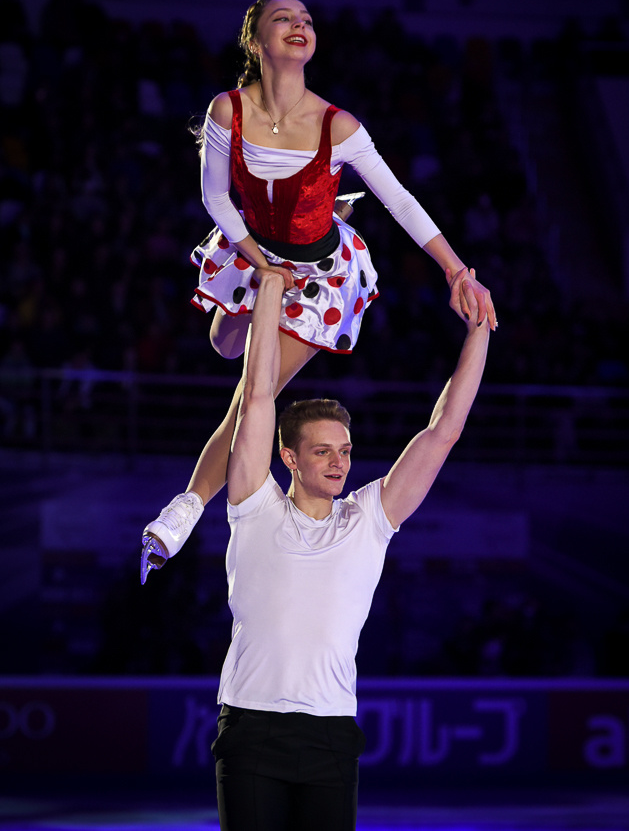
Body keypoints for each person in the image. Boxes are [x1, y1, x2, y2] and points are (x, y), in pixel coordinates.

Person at [140, 0, 496, 581]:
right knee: (224, 345)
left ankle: (184, 508)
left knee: (255, 396)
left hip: (316, 277)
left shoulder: (339, 125)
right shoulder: (228, 111)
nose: (299, 25)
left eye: (306, 19)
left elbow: (403, 201)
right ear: (257, 42)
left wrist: (457, 270)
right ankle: (293, 254)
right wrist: (256, 261)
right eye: (284, 18)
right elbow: (214, 196)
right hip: (255, 252)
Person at [205, 264, 490, 830]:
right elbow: (258, 396)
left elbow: (443, 430)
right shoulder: (253, 506)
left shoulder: (367, 519)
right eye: (322, 452)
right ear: (289, 458)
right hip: (251, 730)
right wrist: (268, 290)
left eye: (345, 450)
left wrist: (479, 329)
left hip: (332, 733)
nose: (340, 461)